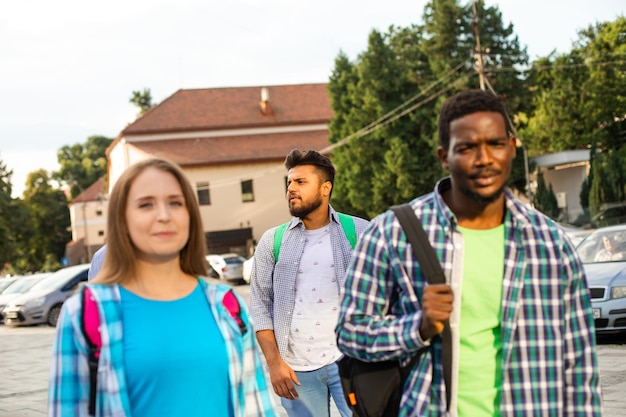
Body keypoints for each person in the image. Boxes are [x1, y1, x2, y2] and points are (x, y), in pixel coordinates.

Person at [336, 90, 602, 417]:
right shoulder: (392, 233)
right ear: (444, 157)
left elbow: (579, 365)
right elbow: (349, 331)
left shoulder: (550, 244)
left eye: (496, 143)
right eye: (467, 147)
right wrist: (417, 327)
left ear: (512, 148)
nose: (484, 158)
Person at [49, 158, 277, 417]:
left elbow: (257, 407)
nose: (164, 215)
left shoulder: (226, 303)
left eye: (175, 203)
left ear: (190, 215)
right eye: (146, 204)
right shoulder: (84, 313)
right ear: (121, 220)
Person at [249, 149, 369, 417]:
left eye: (301, 182)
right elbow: (260, 307)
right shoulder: (272, 241)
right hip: (296, 371)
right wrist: (274, 364)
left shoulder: (360, 232)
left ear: (325, 188)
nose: (291, 188)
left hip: (351, 362)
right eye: (289, 182)